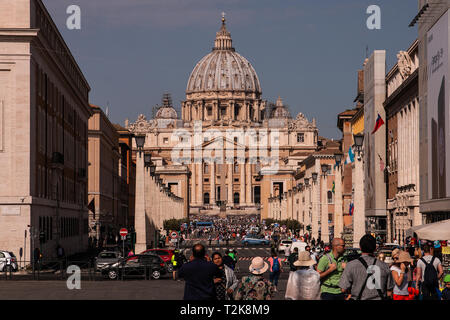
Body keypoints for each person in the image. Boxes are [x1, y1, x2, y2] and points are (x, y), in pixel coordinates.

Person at [339, 234, 394, 300]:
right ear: (375, 248)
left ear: (360, 247)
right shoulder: (384, 266)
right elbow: (389, 292)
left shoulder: (351, 265)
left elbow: (343, 289)